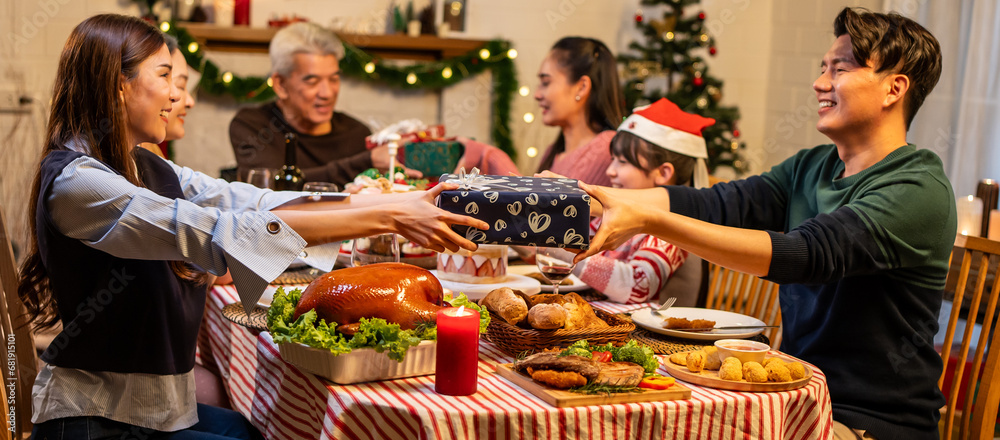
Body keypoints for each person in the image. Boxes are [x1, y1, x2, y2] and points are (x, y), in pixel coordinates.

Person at [18, 14, 487, 439]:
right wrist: (389, 216)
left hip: (154, 408)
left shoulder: (143, 164)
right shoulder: (80, 183)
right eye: (165, 77)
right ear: (117, 85)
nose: (179, 96)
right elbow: (219, 233)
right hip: (97, 418)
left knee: (253, 426)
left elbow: (251, 199)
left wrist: (382, 200)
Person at [577, 8, 950, 440]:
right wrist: (584, 198)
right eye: (822, 68)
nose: (820, 82)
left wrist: (652, 221)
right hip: (792, 399)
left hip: (866, 423)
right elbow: (716, 203)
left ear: (894, 89)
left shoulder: (917, 187)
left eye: (840, 69)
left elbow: (804, 255)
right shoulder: (811, 167)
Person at [229, 22, 415, 186]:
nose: (327, 93)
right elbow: (269, 185)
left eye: (334, 79)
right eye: (312, 81)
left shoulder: (357, 133)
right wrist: (365, 162)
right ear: (280, 84)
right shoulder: (252, 127)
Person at [574, 98, 713, 305]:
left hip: (653, 336)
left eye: (622, 162)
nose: (610, 171)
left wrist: (566, 254)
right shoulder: (617, 213)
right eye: (613, 160)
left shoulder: (673, 227)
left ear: (663, 172)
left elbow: (636, 286)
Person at [459, 36, 625, 185]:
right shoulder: (553, 153)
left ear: (581, 87)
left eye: (546, 83)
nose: (537, 95)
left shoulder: (605, 149)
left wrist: (489, 155)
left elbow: (544, 212)